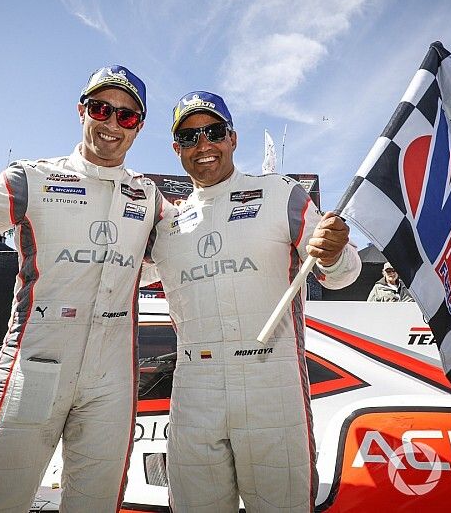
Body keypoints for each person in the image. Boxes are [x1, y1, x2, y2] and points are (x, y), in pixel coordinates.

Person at [0, 65, 164, 512]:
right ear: (81, 111)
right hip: (33, 370)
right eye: (102, 108)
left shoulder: (151, 198)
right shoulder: (31, 177)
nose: (111, 123)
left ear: (138, 127)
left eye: (125, 116)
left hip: (112, 381)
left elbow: (194, 259)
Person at [144, 91, 362, 512]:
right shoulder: (167, 224)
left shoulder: (281, 193)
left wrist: (333, 253)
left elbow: (344, 273)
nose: (203, 144)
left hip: (271, 378)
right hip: (193, 385)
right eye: (189, 137)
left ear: (233, 138)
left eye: (213, 132)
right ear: (176, 150)